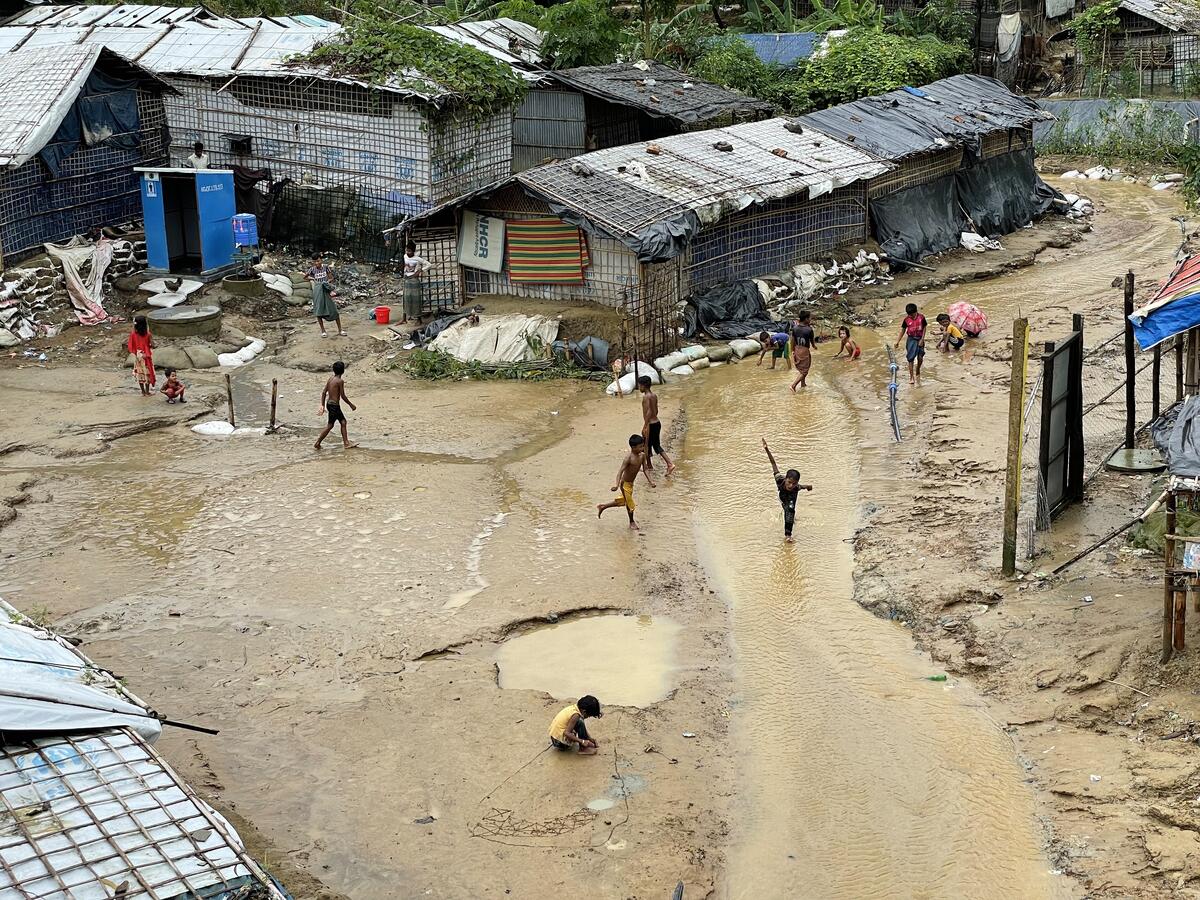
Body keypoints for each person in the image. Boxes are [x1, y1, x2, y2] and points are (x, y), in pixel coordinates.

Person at [597, 434, 654, 531]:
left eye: (643, 446)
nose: (642, 448)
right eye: (640, 446)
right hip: (624, 484)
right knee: (630, 504)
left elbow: (645, 469)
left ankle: (603, 507)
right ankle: (632, 522)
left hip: (631, 484)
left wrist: (651, 481)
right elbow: (620, 472)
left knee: (623, 501)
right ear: (633, 447)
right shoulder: (629, 458)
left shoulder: (642, 456)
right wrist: (616, 485)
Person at [762, 438, 812, 543]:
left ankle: (788, 535)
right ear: (786, 479)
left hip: (791, 498)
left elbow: (801, 486)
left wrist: (808, 487)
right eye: (789, 482)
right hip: (782, 497)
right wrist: (767, 450)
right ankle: (789, 519)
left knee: (790, 510)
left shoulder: (796, 487)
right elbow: (773, 464)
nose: (791, 485)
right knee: (787, 510)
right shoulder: (780, 479)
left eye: (794, 483)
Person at [638, 375, 676, 475]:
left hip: (650, 424)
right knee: (653, 445)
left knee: (647, 446)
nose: (639, 388)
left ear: (643, 386)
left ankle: (669, 464)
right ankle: (650, 465)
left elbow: (649, 412)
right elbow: (656, 410)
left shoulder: (646, 397)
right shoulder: (654, 395)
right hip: (656, 422)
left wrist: (645, 426)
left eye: (640, 386)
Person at [315, 361, 357, 450]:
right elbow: (342, 396)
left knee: (343, 422)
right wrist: (351, 405)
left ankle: (346, 442)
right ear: (343, 371)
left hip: (329, 404)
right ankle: (318, 442)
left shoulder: (330, 379)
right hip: (334, 406)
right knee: (331, 425)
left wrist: (322, 405)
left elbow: (323, 392)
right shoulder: (340, 381)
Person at [307, 254, 345, 338]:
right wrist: (313, 279)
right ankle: (323, 331)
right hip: (317, 292)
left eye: (318, 261)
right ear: (313, 262)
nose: (317, 263)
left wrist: (327, 282)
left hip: (326, 290)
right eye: (315, 261)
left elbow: (331, 278)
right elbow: (305, 277)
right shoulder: (312, 270)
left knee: (333, 310)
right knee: (319, 311)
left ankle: (340, 330)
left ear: (321, 260)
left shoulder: (326, 267)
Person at [894, 302, 928, 385]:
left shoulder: (921, 318)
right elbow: (902, 331)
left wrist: (922, 339)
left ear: (916, 312)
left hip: (920, 338)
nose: (911, 316)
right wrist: (897, 341)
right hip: (911, 339)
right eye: (909, 315)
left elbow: (924, 328)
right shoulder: (906, 320)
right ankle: (911, 376)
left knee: (920, 357)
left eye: (912, 314)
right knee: (910, 358)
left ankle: (918, 369)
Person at [402, 241, 431, 326]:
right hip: (406, 280)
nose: (408, 252)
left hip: (414, 281)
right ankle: (404, 318)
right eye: (407, 250)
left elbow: (429, 264)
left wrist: (421, 270)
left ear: (413, 251)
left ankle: (419, 319)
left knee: (416, 300)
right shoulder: (405, 256)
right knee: (406, 299)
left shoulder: (417, 259)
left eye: (410, 251)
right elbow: (405, 266)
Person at [127, 315, 155, 396]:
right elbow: (153, 345)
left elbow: (131, 346)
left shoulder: (133, 334)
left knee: (140, 374)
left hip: (138, 357)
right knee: (148, 373)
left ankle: (143, 392)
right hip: (146, 356)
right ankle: (147, 391)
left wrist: (137, 353)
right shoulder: (148, 334)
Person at [790, 310, 816, 392]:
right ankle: (793, 385)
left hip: (797, 348)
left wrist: (792, 350)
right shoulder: (809, 329)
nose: (810, 319)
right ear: (806, 319)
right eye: (809, 318)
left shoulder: (795, 328)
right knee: (804, 371)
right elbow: (812, 341)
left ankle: (803, 384)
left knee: (802, 368)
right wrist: (815, 346)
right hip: (804, 350)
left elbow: (792, 340)